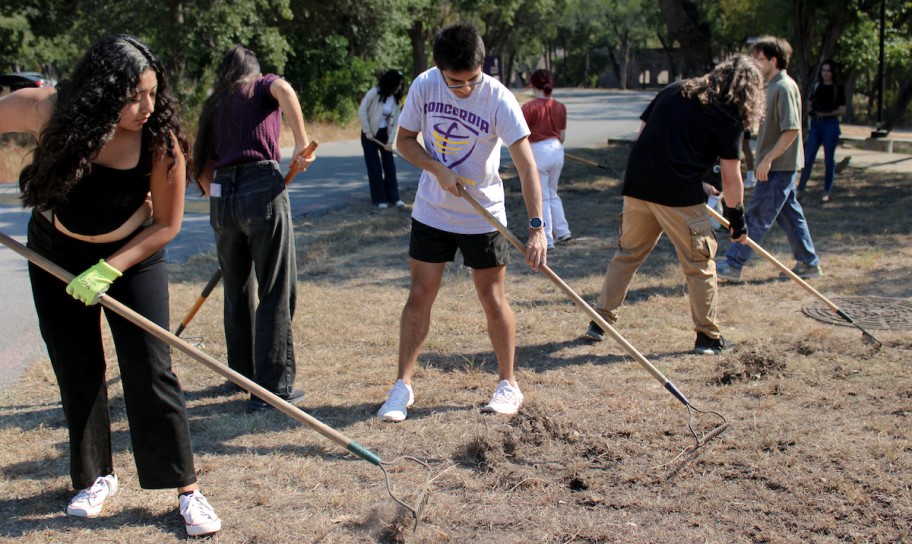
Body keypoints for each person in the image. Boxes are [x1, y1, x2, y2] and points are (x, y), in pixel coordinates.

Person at [0, 34, 220, 536]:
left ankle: (186, 488)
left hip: (132, 257)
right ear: (101, 92)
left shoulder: (159, 141)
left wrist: (108, 268)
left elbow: (166, 225)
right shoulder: (48, 110)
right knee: (76, 365)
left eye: (153, 93)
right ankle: (95, 477)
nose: (147, 107)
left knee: (150, 366)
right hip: (53, 253)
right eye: (134, 96)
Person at [377, 23, 548, 421]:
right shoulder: (425, 86)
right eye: (456, 82)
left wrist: (537, 227)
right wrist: (437, 169)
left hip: (482, 215)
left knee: (492, 298)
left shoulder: (498, 97)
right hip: (432, 211)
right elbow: (404, 141)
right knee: (420, 294)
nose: (466, 88)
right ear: (440, 70)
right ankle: (401, 386)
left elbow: (527, 166)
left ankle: (508, 384)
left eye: (473, 78)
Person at [584, 55, 764, 355]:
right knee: (700, 263)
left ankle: (600, 321)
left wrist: (692, 173)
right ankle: (708, 337)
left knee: (628, 253)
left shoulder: (674, 90)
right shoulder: (729, 114)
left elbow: (645, 136)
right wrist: (737, 220)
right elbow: (732, 177)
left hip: (640, 181)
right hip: (677, 192)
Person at [192, 45, 313, 412]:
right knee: (275, 288)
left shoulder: (215, 104)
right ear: (255, 71)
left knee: (237, 289)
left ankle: (242, 374)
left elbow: (203, 168)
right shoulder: (261, 86)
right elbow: (284, 89)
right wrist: (302, 142)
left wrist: (220, 201)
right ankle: (272, 388)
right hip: (261, 186)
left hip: (221, 197)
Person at [717, 36, 823, 283]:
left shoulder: (784, 87)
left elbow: (792, 130)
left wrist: (767, 161)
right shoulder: (773, 86)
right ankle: (809, 263)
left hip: (778, 167)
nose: (756, 64)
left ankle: (733, 264)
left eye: (760, 59)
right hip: (776, 166)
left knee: (756, 215)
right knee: (790, 216)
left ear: (773, 60)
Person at [522, 68, 571, 249]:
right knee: (552, 192)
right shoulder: (560, 106)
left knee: (541, 195)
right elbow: (562, 136)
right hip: (557, 149)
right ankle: (563, 231)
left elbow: (521, 136)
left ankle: (547, 238)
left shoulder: (529, 107)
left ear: (533, 85)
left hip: (538, 150)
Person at [796, 60, 847, 202]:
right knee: (808, 157)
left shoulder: (838, 88)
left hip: (830, 124)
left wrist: (826, 113)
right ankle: (800, 189)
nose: (825, 74)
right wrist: (812, 112)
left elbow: (842, 109)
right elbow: (809, 104)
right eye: (823, 70)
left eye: (828, 71)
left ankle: (826, 191)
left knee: (828, 159)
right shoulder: (817, 86)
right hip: (816, 125)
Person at [359, 69, 406, 208]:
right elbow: (362, 111)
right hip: (369, 136)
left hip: (384, 135)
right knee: (374, 167)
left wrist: (390, 142)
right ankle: (380, 199)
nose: (399, 87)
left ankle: (394, 198)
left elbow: (395, 122)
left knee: (390, 166)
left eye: (401, 85)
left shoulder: (396, 100)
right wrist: (367, 131)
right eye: (397, 84)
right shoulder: (374, 93)